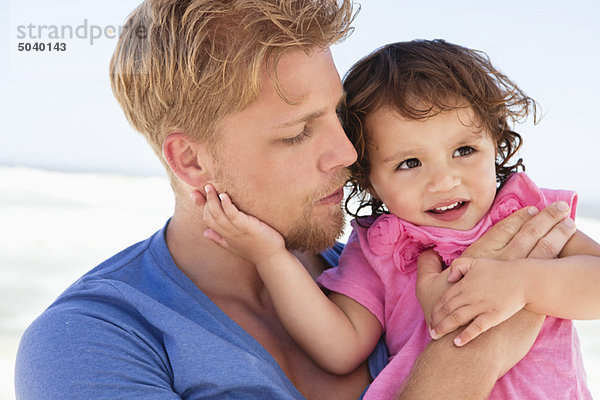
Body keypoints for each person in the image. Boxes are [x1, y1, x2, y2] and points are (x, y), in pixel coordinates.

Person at [14, 2, 576, 399]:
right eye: (296, 132)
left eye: (338, 115)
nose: (347, 153)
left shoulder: (382, 265)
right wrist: (474, 345)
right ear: (191, 161)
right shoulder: (94, 342)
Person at [199, 40, 600, 399]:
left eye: (464, 150)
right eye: (410, 163)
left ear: (494, 141)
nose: (443, 180)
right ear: (369, 179)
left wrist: (525, 283)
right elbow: (340, 348)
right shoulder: (381, 249)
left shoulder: (525, 211)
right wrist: (271, 257)